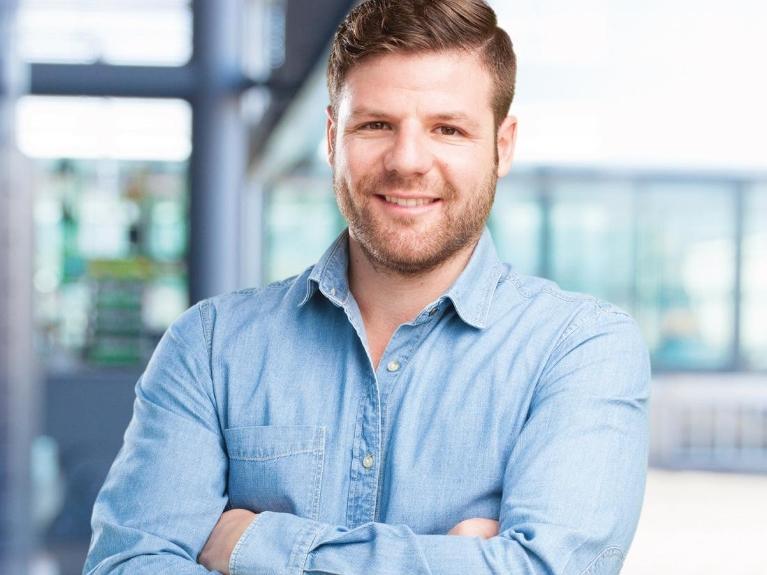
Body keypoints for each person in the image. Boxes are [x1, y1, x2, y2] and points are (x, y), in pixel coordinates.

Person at [84, 1, 650, 573]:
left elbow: (547, 568)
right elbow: (125, 564)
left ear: (502, 146)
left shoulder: (580, 349)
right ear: (332, 137)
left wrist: (252, 545)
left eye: (447, 129)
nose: (407, 161)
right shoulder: (210, 346)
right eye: (376, 125)